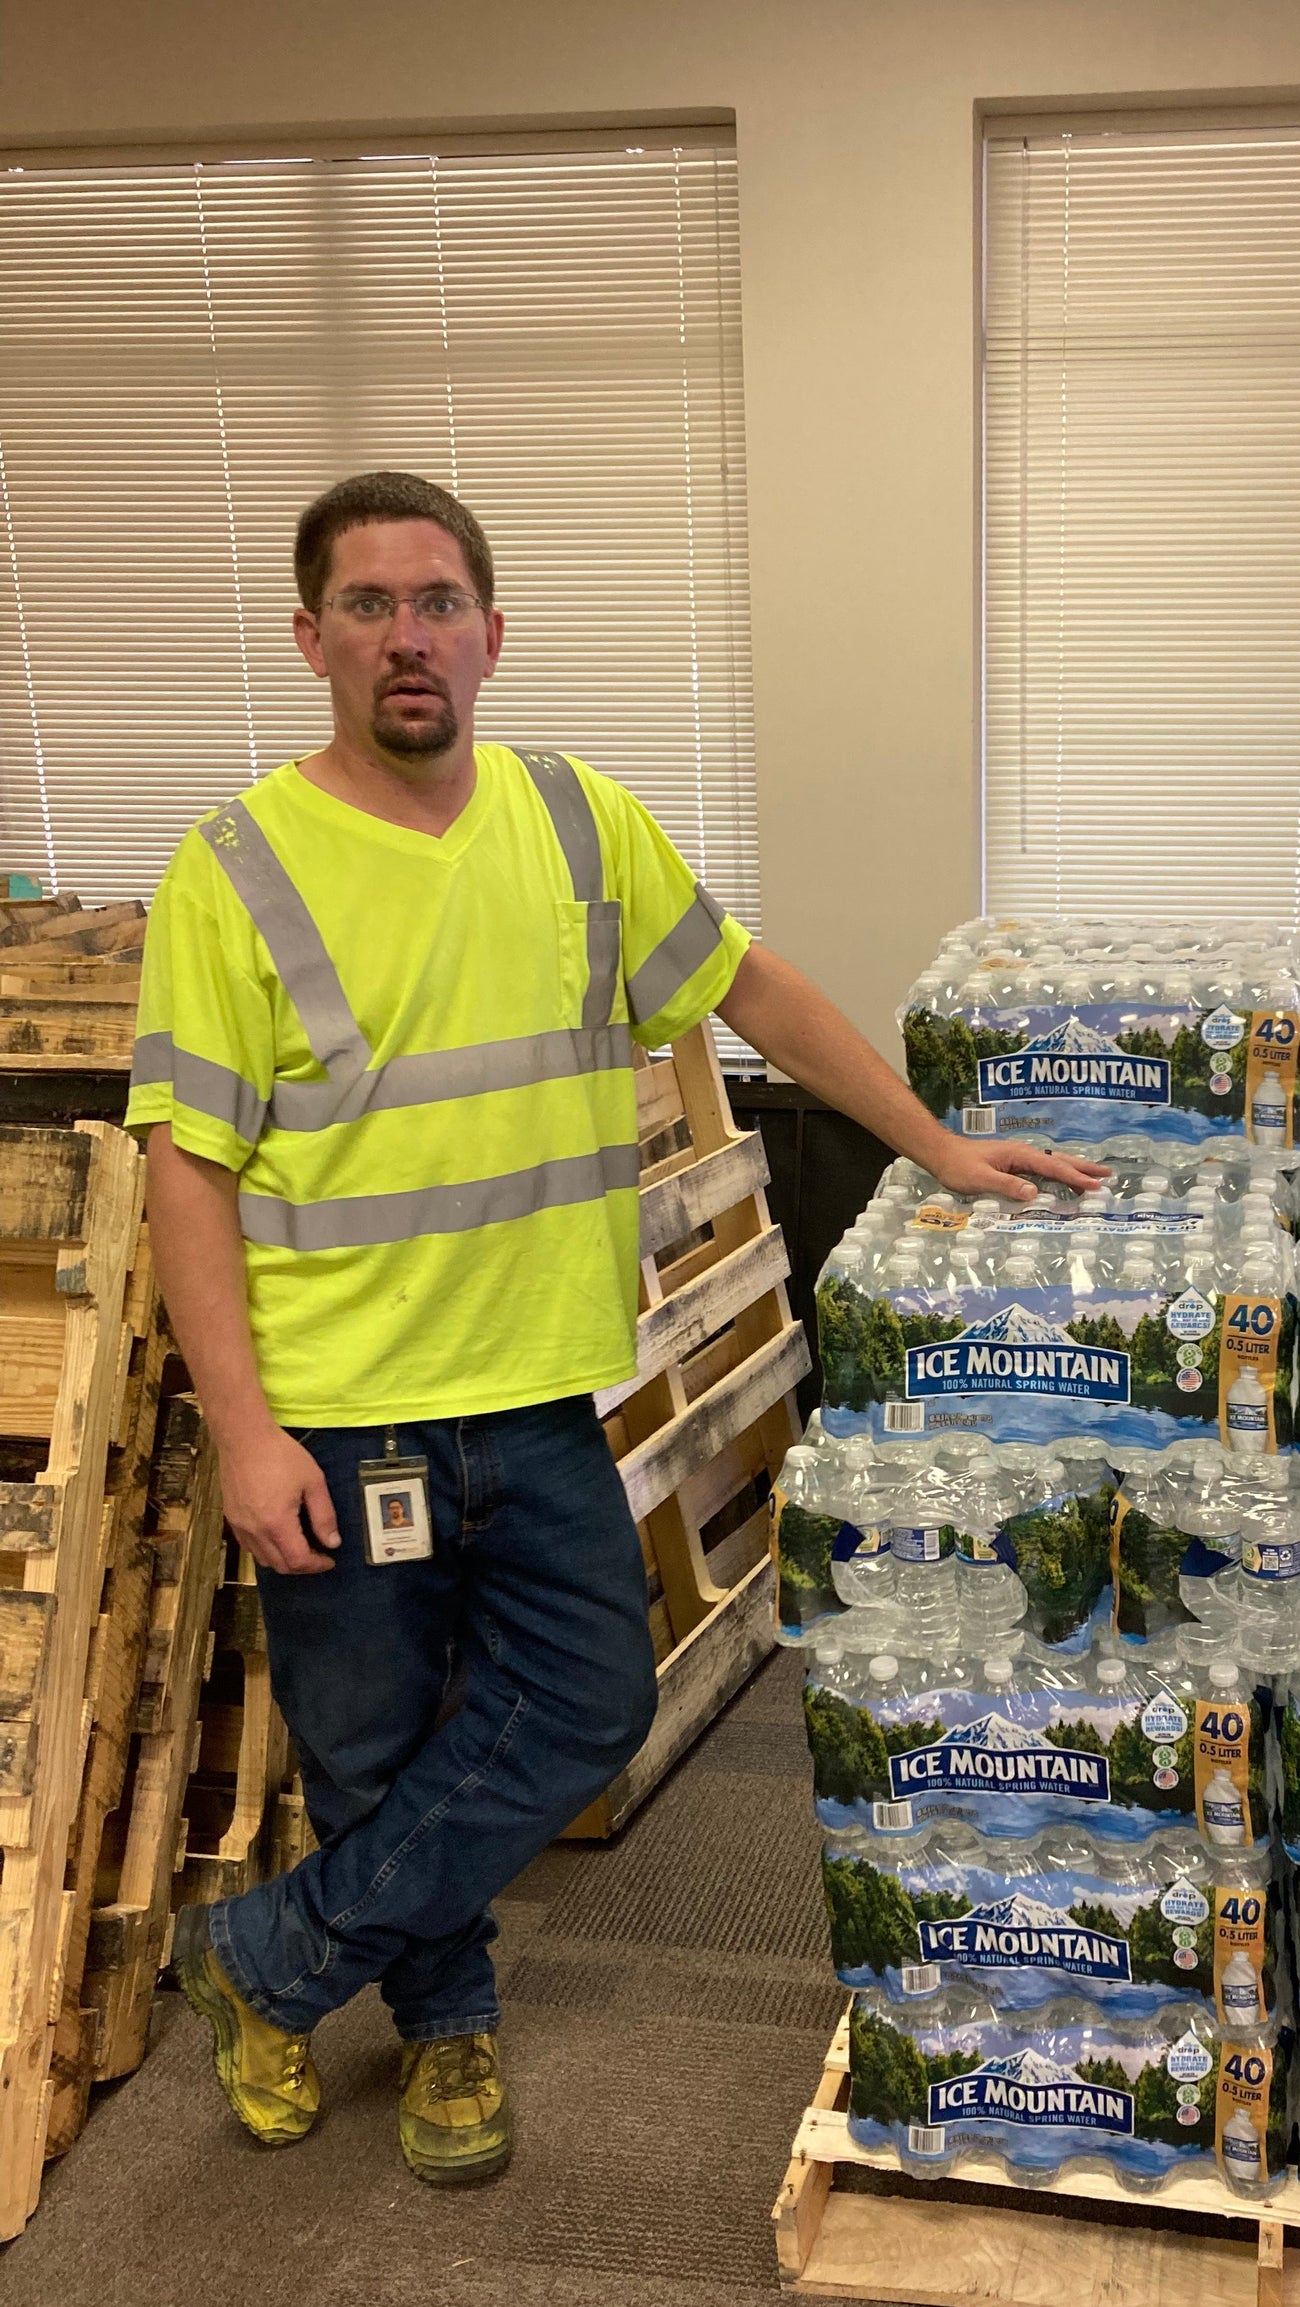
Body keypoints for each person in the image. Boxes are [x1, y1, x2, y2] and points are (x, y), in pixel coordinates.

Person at [137, 469, 1102, 2186]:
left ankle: (268, 1960)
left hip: (536, 1392)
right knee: (371, 1755)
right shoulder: (234, 871)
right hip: (343, 1413)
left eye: (437, 602)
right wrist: (247, 1432)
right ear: (310, 640)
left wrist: (938, 1146)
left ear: (491, 636)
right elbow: (186, 1170)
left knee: (584, 1709)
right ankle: (446, 2029)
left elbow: (755, 990)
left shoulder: (578, 824)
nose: (407, 636)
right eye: (367, 605)